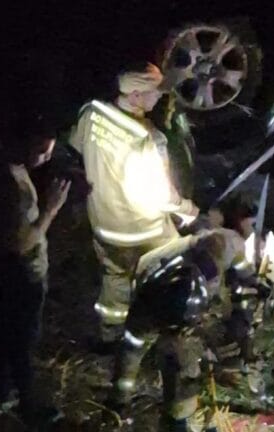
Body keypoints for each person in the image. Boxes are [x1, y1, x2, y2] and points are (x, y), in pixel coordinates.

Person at [69, 62, 199, 347]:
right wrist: (188, 209)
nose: (160, 96)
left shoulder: (91, 113)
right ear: (136, 96)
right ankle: (163, 331)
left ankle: (110, 334)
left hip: (103, 223)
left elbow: (77, 148)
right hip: (142, 230)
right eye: (155, 92)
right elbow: (161, 196)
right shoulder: (146, 139)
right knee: (175, 268)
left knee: (114, 276)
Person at [108, 227, 269, 431]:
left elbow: (238, 258)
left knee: (230, 322)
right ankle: (178, 417)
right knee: (180, 362)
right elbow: (130, 356)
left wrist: (251, 281)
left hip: (199, 280)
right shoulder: (144, 315)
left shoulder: (218, 250)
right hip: (155, 289)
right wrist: (120, 400)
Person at [0, 112, 70, 423]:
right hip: (22, 274)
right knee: (22, 341)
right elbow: (21, 243)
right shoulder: (12, 187)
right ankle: (27, 405)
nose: (46, 158)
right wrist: (51, 210)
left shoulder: (7, 168)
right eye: (42, 150)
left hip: (6, 271)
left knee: (3, 332)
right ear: (22, 143)